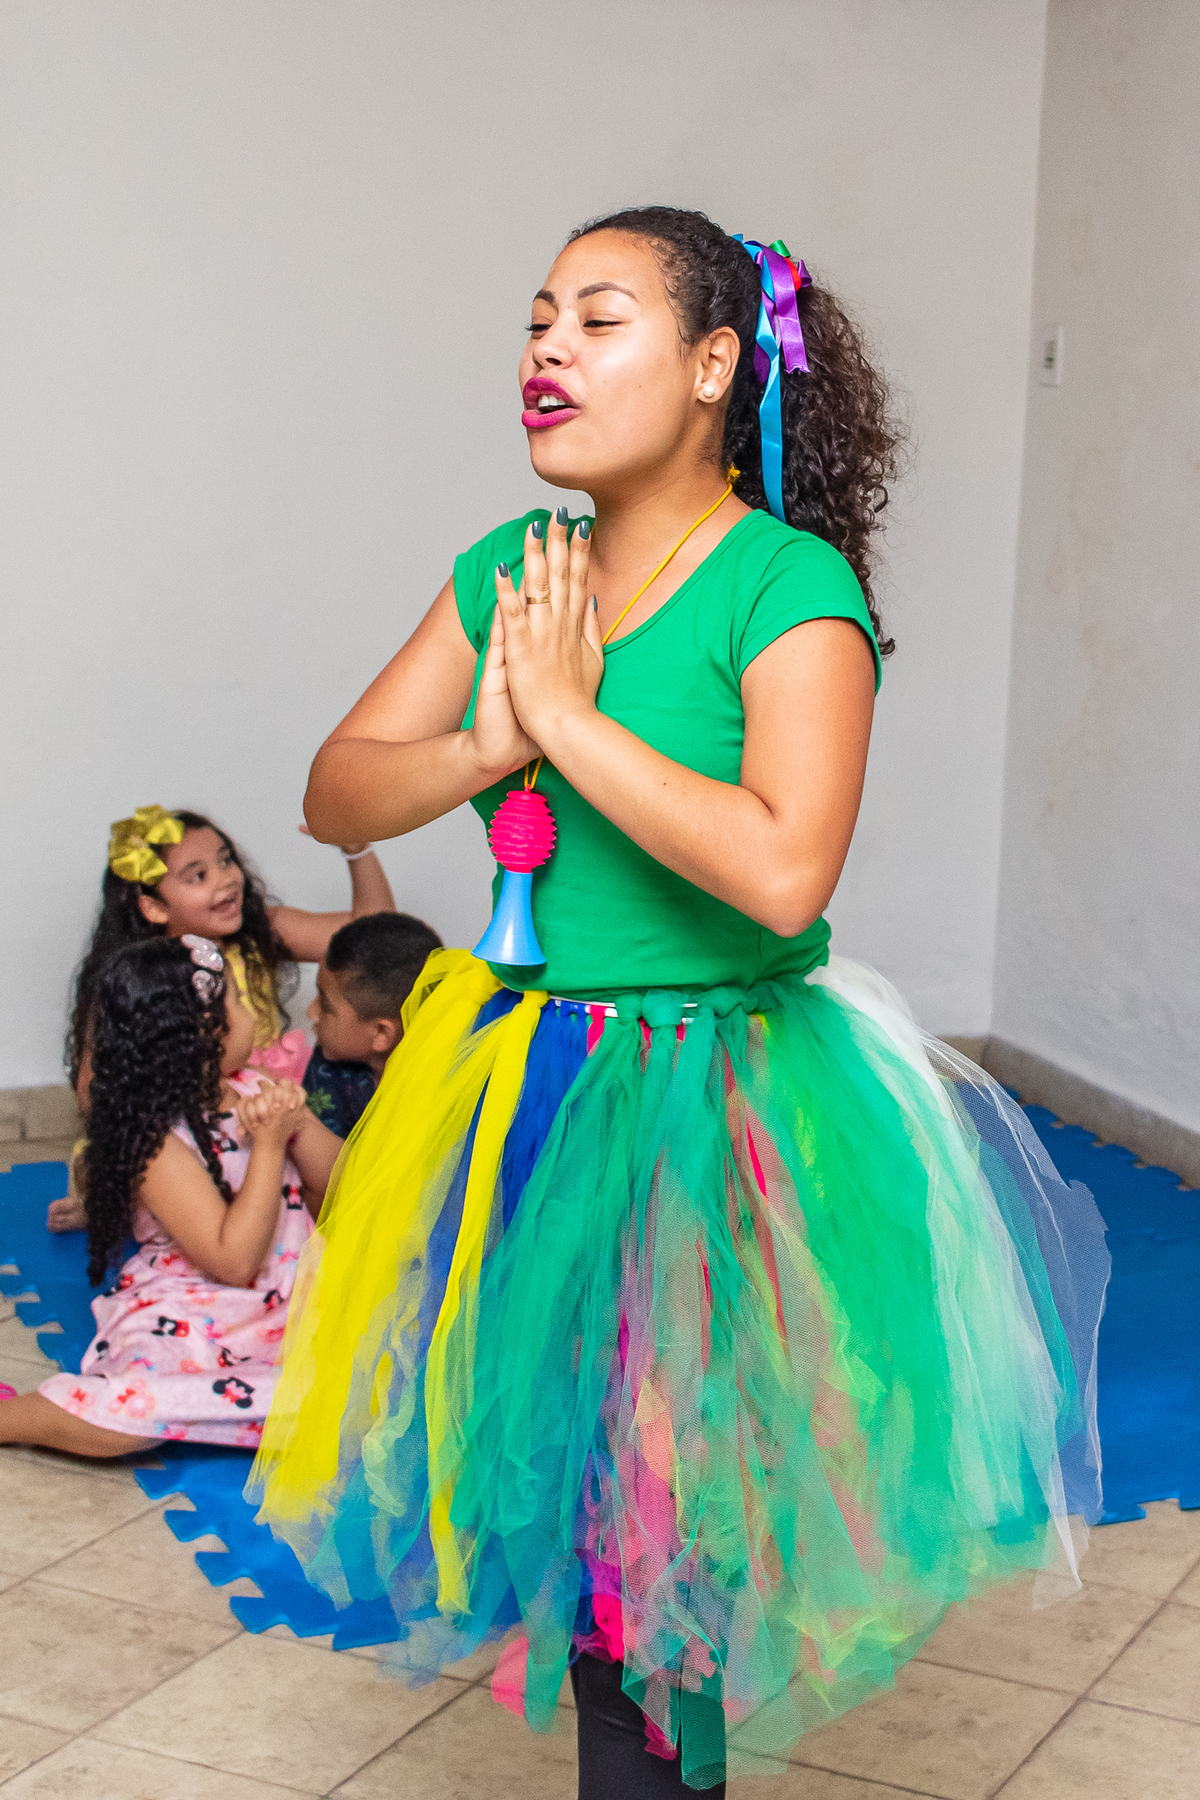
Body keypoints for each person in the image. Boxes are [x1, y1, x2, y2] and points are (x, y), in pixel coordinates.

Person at [248, 208, 1109, 1793]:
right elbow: (336, 791)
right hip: (525, 1085)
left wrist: (565, 719)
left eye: (598, 319)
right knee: (572, 1514)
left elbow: (781, 873)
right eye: (537, 321)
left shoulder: (788, 587)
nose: (547, 351)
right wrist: (489, 742)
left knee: (674, 1533)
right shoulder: (514, 569)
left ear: (716, 365)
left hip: (711, 1105)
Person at [1, 935, 342, 1455]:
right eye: (236, 1001)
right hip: (197, 1310)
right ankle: (16, 1418)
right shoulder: (156, 1142)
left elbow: (342, 1179)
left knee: (376, 1389)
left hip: (299, 1300)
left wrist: (296, 1122)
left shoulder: (251, 1084)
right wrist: (270, 1146)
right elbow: (234, 1262)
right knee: (130, 1415)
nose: (252, 1013)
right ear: (204, 1034)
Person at [47, 807, 394, 1231]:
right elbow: (92, 1089)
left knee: (314, 1156)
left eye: (226, 860)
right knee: (122, 1162)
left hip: (260, 1098)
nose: (226, 878)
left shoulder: (260, 931)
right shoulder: (137, 980)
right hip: (184, 1113)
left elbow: (374, 938)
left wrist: (358, 852)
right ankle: (127, 1209)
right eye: (198, 876)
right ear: (153, 906)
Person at [302, 910, 444, 1141]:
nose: (311, 1012)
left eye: (325, 1006)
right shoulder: (327, 1073)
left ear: (381, 1033)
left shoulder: (431, 1105)